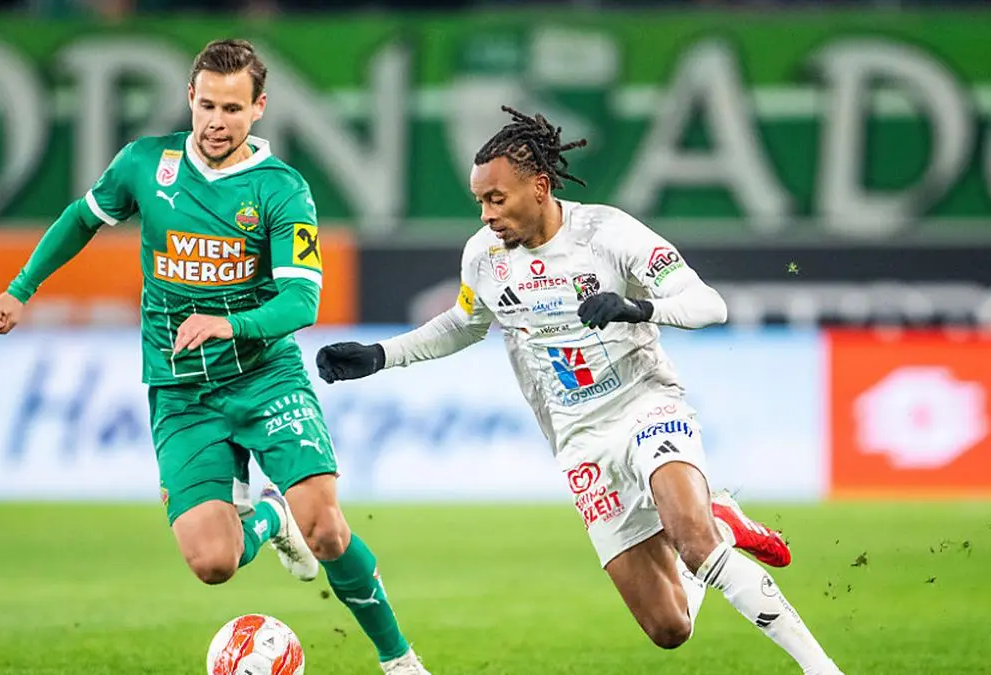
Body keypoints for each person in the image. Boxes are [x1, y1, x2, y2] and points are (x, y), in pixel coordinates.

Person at [317, 106, 844, 674]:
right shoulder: (484, 257)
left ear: (540, 188)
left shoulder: (607, 234)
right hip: (578, 440)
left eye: (497, 199)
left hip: (645, 405)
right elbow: (463, 323)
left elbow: (708, 304)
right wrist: (381, 355)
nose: (487, 215)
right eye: (480, 202)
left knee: (695, 543)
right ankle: (719, 518)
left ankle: (819, 666)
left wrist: (638, 308)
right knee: (669, 628)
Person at [0, 39, 429, 675]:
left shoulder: (281, 189)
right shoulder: (145, 164)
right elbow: (82, 219)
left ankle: (399, 660)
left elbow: (301, 301)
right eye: (208, 105)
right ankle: (270, 517)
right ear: (190, 97)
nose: (217, 122)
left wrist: (230, 324)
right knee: (214, 563)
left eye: (233, 109)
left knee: (327, 529)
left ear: (259, 108)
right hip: (181, 389)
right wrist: (21, 288)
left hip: (265, 377)